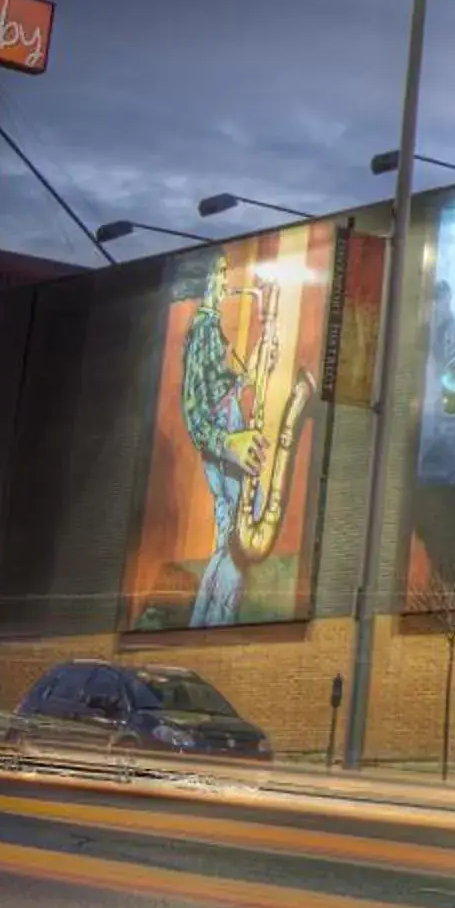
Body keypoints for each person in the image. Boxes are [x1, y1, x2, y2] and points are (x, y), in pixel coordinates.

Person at [179, 252, 273, 627]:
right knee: (238, 536)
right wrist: (226, 443)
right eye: (219, 273)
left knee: (231, 536)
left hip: (226, 433)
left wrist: (250, 372)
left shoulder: (211, 328)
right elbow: (194, 409)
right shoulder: (203, 330)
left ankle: (204, 622)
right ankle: (214, 621)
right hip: (223, 440)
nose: (225, 280)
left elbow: (217, 385)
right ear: (204, 281)